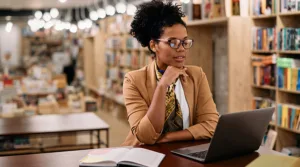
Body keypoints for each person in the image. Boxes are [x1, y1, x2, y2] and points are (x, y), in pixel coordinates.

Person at [122, 0, 219, 146]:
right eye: (173, 42)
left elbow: (212, 125)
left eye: (185, 42)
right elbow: (146, 136)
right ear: (154, 45)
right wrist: (162, 86)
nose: (181, 48)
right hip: (145, 157)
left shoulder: (196, 75)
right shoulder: (134, 80)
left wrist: (167, 138)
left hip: (184, 155)